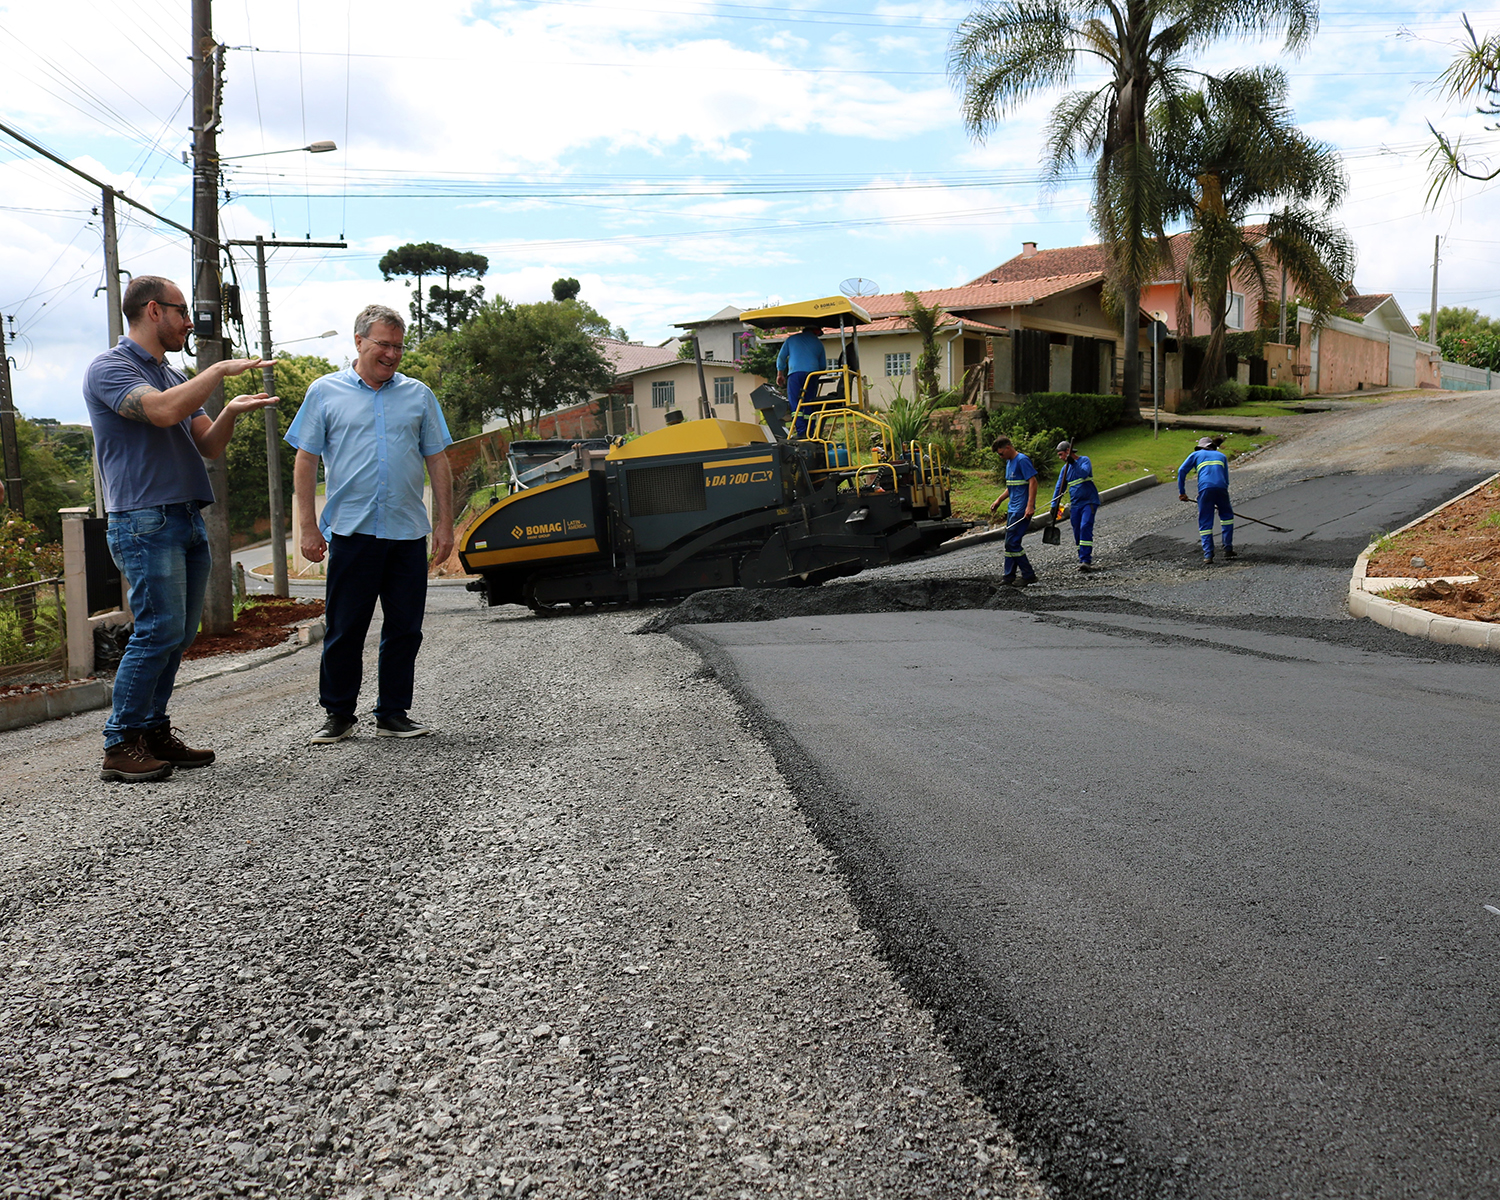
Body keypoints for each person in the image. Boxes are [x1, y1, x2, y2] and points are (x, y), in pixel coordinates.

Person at [83, 275, 279, 782]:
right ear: (153, 311)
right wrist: (217, 370)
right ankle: (120, 742)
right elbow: (163, 413)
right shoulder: (111, 368)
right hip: (144, 520)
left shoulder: (171, 375)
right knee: (157, 630)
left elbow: (208, 446)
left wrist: (230, 410)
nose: (190, 322)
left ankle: (152, 731)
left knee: (179, 633)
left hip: (186, 518)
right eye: (182, 312)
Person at [287, 303, 454, 744]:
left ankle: (393, 713)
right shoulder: (324, 392)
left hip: (405, 532)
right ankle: (338, 714)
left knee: (405, 629)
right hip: (351, 532)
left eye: (399, 346)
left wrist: (444, 525)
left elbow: (437, 460)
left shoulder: (418, 395)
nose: (393, 354)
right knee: (346, 628)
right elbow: (305, 460)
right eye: (384, 344)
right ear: (359, 341)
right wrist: (307, 526)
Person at [988, 436, 1038, 586]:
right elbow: (1011, 486)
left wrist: (1030, 506)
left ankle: (1028, 575)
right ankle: (1008, 576)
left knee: (1012, 542)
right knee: (1009, 543)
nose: (1001, 457)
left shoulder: (1022, 460)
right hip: (1012, 509)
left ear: (1008, 448)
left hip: (1021, 509)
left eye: (1001, 453)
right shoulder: (1009, 463)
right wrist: (999, 500)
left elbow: (1033, 482)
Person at [1177, 435, 1236, 564]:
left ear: (1201, 447)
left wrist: (1182, 492)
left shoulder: (1196, 455)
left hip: (1205, 489)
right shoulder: (1221, 456)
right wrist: (1221, 494)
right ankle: (1228, 549)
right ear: (1212, 447)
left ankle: (1208, 555)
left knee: (1205, 521)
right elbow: (1226, 479)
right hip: (1221, 489)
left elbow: (1181, 470)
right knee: (1227, 517)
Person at [1051, 440, 1102, 571]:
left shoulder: (1084, 461)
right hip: (1075, 504)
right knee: (1077, 530)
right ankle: (1082, 558)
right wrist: (1054, 504)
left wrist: (1073, 463)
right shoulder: (1065, 469)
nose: (1060, 458)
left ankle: (1086, 560)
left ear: (1068, 451)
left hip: (1089, 502)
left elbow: (1084, 473)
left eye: (1061, 454)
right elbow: (1059, 487)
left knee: (1085, 526)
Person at [775, 324, 827, 436]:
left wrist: (780, 374)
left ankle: (801, 432)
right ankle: (810, 432)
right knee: (809, 403)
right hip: (812, 375)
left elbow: (781, 358)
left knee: (795, 404)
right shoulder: (818, 343)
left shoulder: (791, 339)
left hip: (795, 374)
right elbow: (823, 366)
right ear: (816, 332)